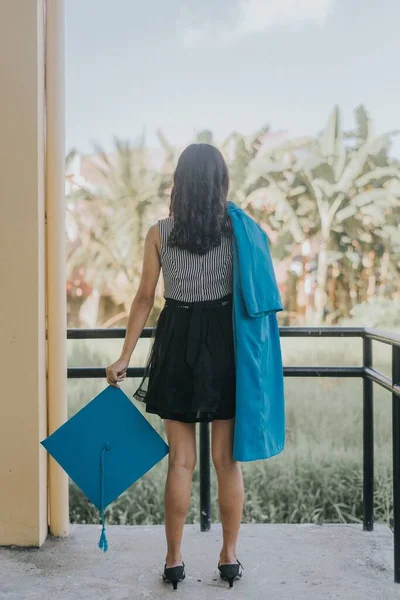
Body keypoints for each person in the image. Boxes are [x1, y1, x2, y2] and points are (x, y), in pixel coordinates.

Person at [106, 143, 244, 589]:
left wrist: (125, 357)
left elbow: (145, 298)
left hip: (177, 339)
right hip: (225, 342)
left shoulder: (160, 232)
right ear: (219, 182)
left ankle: (173, 560)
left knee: (181, 462)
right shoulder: (235, 230)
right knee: (226, 461)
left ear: (179, 183)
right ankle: (228, 557)